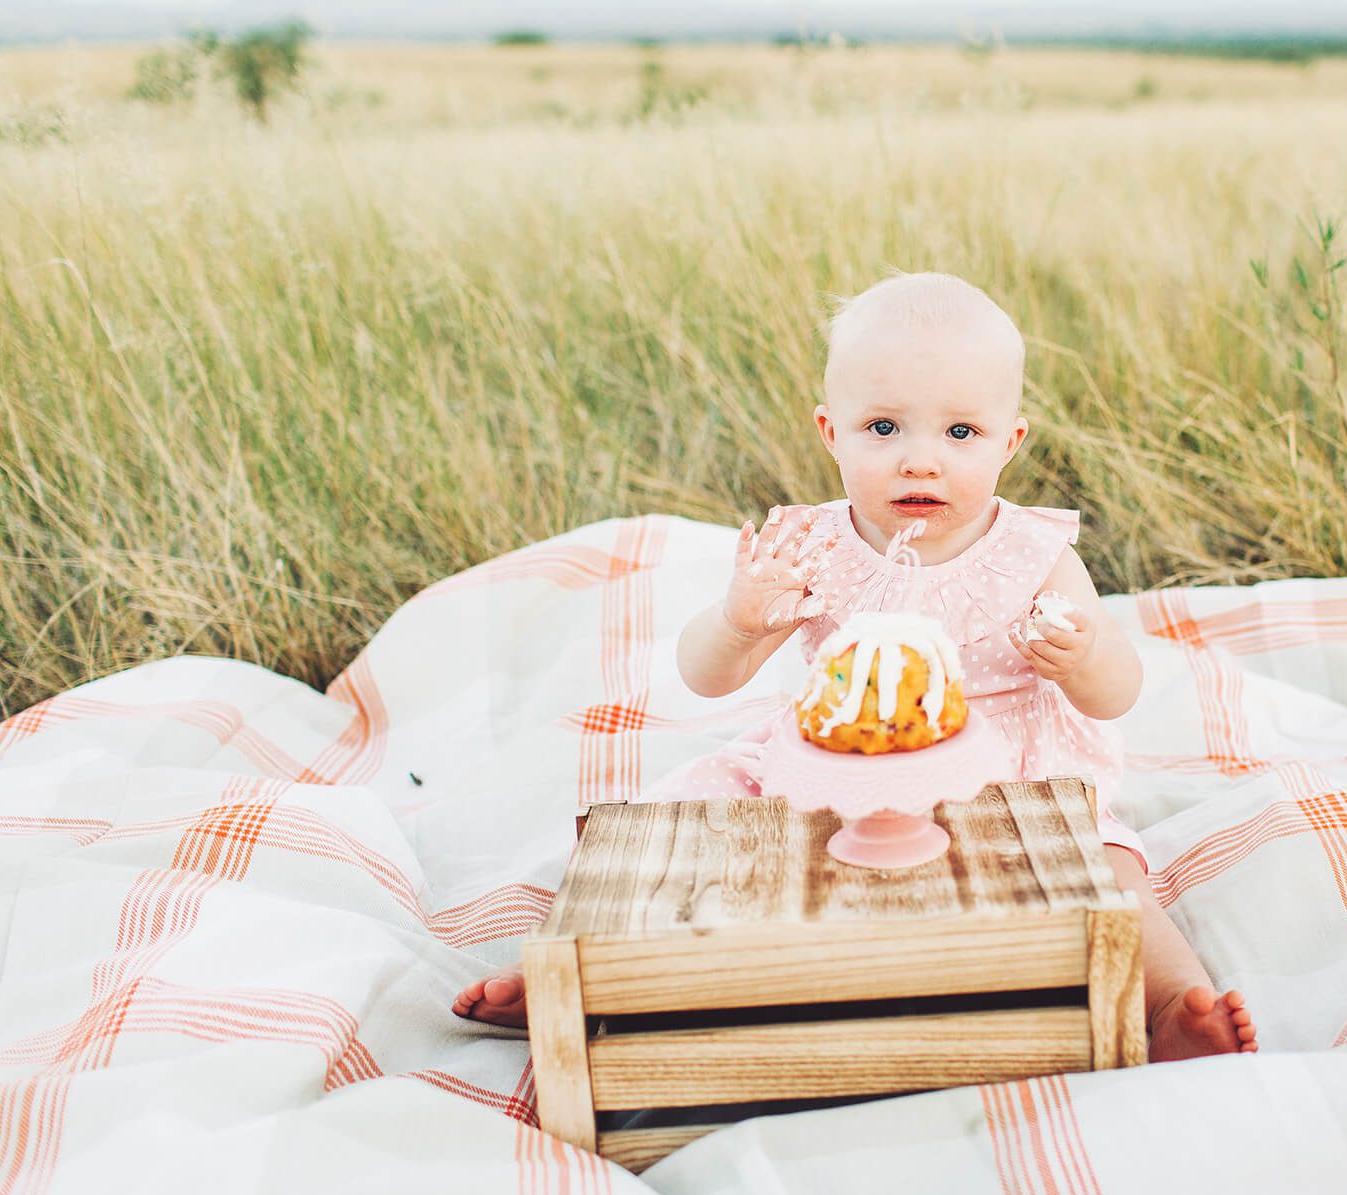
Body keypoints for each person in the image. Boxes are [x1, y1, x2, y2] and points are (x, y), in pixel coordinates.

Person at [455, 271, 1256, 1062]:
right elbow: (709, 677)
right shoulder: (812, 547)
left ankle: (1165, 1009)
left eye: (960, 434)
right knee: (686, 810)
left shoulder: (1031, 554)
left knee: (1112, 867)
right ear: (828, 431)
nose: (920, 462)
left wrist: (1082, 657)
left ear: (1010, 443)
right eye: (883, 428)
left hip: (1007, 773)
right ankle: (575, 968)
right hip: (834, 756)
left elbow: (1119, 692)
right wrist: (740, 618)